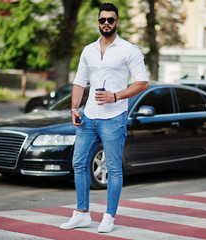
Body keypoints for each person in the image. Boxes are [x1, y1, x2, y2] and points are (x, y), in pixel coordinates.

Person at [60, 2, 148, 233]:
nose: (106, 23)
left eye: (110, 20)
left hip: (114, 117)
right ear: (98, 22)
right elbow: (80, 81)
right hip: (88, 116)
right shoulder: (88, 50)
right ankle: (82, 214)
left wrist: (115, 96)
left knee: (113, 169)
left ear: (117, 23)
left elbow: (142, 82)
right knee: (78, 163)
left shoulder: (129, 50)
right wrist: (74, 108)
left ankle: (109, 216)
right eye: (102, 20)